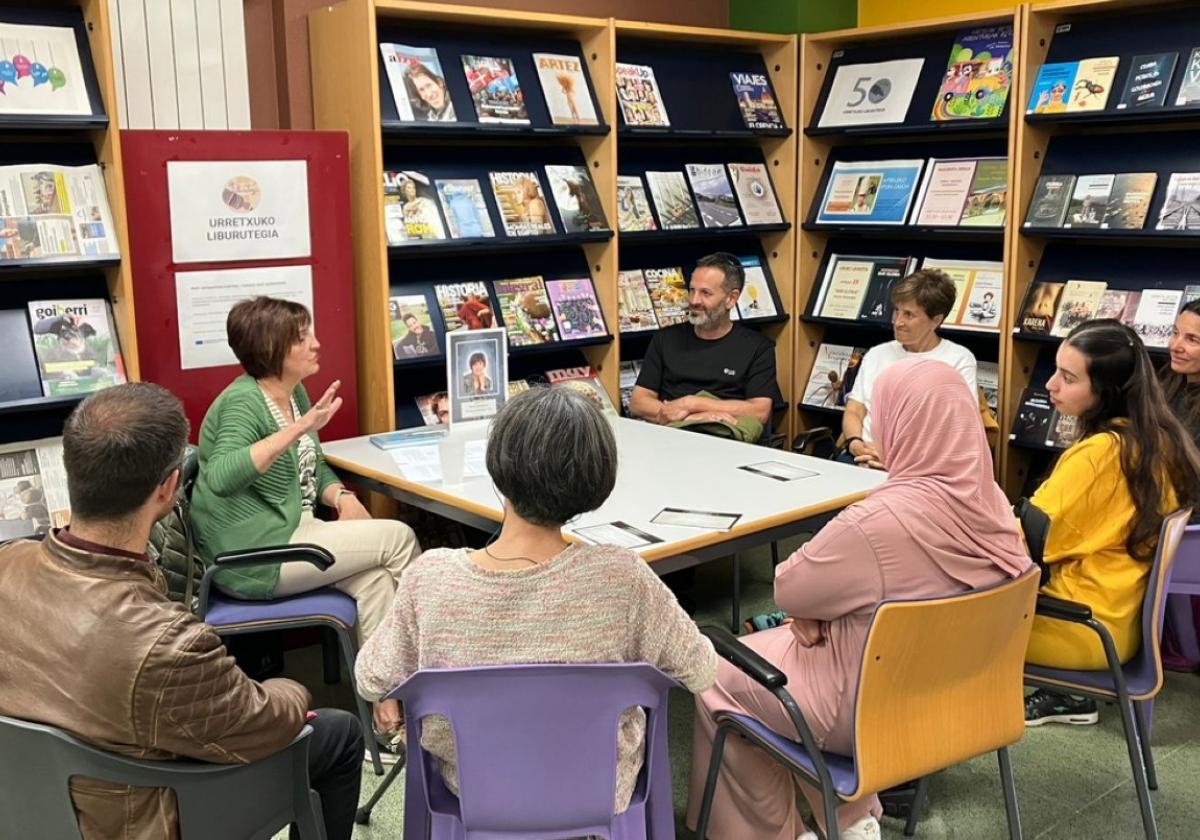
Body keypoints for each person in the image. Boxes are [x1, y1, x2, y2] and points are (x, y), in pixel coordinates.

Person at [686, 359, 1031, 840]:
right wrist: (819, 613)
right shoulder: (993, 501)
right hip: (960, 697)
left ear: (901, 423)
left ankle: (774, 832)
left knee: (717, 673)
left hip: (868, 706)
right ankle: (851, 819)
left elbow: (789, 586)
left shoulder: (879, 521)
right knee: (787, 660)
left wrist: (812, 615)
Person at [0, 384, 363, 840]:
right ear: (169, 486)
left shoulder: (7, 563)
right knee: (338, 733)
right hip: (144, 818)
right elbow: (260, 725)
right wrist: (289, 688)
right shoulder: (168, 641)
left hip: (29, 806)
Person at [356, 387, 717, 811]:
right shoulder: (625, 578)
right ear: (596, 478)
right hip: (597, 788)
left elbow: (371, 678)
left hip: (473, 786)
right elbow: (701, 671)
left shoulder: (429, 579)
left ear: (497, 466)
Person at [189, 297, 420, 746]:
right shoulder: (242, 403)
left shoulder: (291, 392)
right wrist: (297, 428)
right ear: (273, 348)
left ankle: (387, 715)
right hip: (253, 557)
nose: (316, 344)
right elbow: (218, 477)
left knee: (375, 581)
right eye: (303, 338)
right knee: (400, 539)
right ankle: (433, 677)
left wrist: (341, 495)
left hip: (295, 532)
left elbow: (310, 466)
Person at [1024, 320, 1200, 725]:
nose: (1050, 386)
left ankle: (902, 759)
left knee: (917, 622)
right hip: (1119, 622)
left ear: (1105, 392)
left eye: (1068, 378)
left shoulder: (1100, 454)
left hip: (1074, 626)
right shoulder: (1160, 438)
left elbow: (1029, 541)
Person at [630, 252, 781, 438]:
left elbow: (759, 411)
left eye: (705, 293)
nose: (694, 300)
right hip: (671, 438)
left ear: (731, 299)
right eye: (692, 290)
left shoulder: (758, 348)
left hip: (727, 442)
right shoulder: (665, 338)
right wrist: (695, 419)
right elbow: (638, 402)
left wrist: (692, 404)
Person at [842, 268, 977, 469]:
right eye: (896, 310)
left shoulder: (958, 360)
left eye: (909, 314)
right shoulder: (876, 354)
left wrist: (896, 458)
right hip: (862, 456)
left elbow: (957, 430)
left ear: (936, 320)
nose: (898, 322)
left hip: (918, 466)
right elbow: (854, 410)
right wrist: (854, 443)